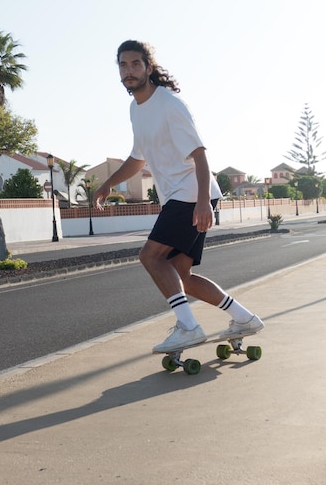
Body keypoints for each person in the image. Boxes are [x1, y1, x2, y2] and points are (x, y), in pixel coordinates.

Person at [94, 40, 264, 353]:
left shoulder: (170, 104)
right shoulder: (136, 109)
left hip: (190, 194)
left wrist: (202, 202)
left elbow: (200, 155)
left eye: (135, 64)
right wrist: (108, 184)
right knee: (181, 276)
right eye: (123, 65)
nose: (128, 70)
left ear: (148, 66)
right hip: (184, 196)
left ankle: (187, 326)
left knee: (150, 256)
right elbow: (138, 158)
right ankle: (244, 318)